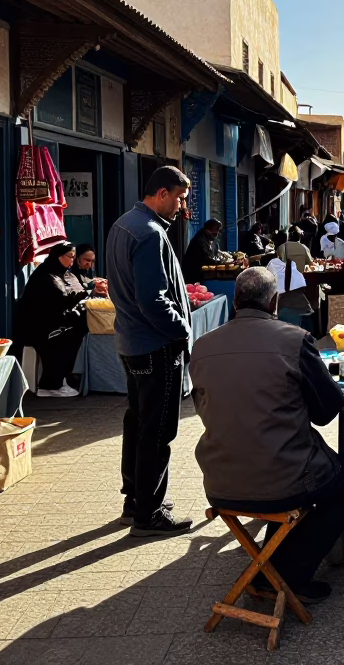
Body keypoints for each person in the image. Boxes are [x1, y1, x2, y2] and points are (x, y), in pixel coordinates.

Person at [190, 267, 344, 605]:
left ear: (236, 302)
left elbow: (205, 410)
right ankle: (290, 576)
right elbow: (326, 410)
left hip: (220, 481)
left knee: (287, 473)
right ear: (274, 302)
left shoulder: (202, 346)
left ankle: (271, 566)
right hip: (282, 477)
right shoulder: (293, 340)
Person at [106, 166, 194, 537]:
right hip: (155, 347)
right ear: (160, 193)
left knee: (138, 425)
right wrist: (183, 330)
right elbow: (153, 300)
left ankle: (135, 501)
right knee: (157, 432)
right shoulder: (149, 233)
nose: (181, 207)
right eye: (178, 198)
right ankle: (149, 513)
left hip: (132, 343)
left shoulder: (123, 225)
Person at [19, 241, 106, 398]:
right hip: (41, 327)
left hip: (59, 320)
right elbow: (61, 297)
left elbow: (77, 289)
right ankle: (50, 384)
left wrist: (92, 288)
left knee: (83, 327)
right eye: (70, 257)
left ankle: (62, 378)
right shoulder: (45, 274)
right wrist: (88, 291)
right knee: (68, 337)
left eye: (73, 257)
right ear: (58, 256)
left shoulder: (65, 273)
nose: (72, 261)